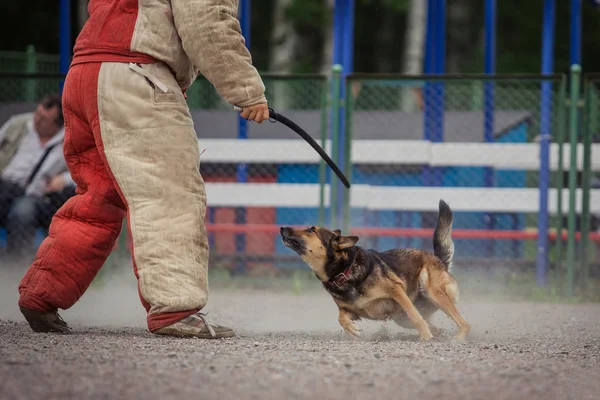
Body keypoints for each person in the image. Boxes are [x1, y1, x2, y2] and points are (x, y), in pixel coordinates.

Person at [17, 0, 270, 339]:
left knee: (97, 200)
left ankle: (41, 295)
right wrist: (247, 91)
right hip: (136, 75)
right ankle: (175, 307)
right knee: (169, 194)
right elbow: (206, 20)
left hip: (84, 74)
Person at [0, 94, 76, 260]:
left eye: (44, 119)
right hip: (5, 185)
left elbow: (85, 170)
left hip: (36, 196)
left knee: (22, 212)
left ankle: (16, 267)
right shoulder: (18, 124)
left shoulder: (70, 140)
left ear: (57, 125)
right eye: (37, 113)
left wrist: (63, 179)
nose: (36, 119)